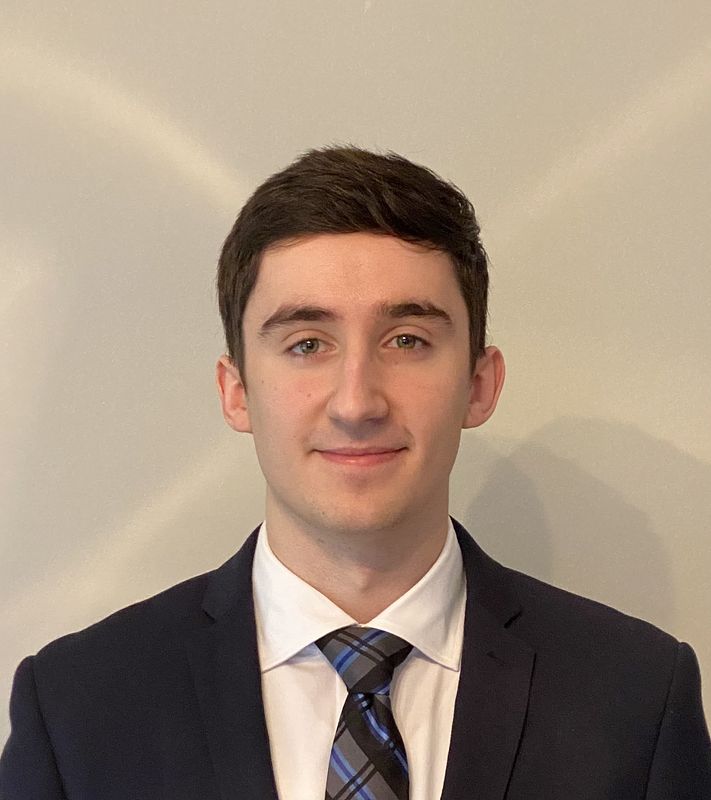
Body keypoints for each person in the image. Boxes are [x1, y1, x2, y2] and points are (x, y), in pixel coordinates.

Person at [1, 146, 709, 800]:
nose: (356, 403)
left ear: (479, 384)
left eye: (407, 340)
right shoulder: (77, 707)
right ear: (236, 391)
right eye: (307, 344)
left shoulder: (637, 698)